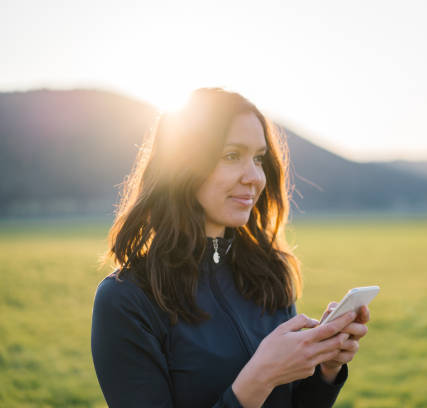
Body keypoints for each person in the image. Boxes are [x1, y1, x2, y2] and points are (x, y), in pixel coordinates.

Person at [91, 87, 370, 408]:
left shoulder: (269, 275)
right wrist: (260, 376)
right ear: (183, 164)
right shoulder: (126, 300)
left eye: (259, 158)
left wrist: (325, 367)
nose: (254, 176)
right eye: (232, 155)